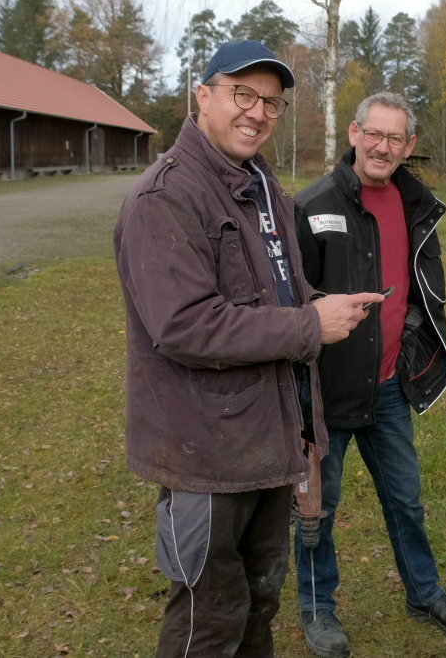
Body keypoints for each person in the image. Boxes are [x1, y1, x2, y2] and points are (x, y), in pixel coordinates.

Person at [113, 40, 383, 658]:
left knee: (261, 600)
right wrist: (309, 324)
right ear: (202, 95)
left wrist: (319, 306)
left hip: (267, 439)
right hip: (207, 450)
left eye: (271, 102)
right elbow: (184, 326)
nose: (257, 112)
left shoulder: (262, 187)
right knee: (209, 617)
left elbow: (271, 293)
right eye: (242, 94)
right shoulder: (166, 198)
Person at [292, 92, 446, 658]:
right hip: (327, 392)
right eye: (374, 134)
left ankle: (424, 594)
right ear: (354, 133)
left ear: (409, 145)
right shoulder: (313, 206)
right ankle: (318, 607)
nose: (382, 146)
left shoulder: (417, 205)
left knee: (406, 500)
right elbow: (292, 305)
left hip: (391, 387)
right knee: (318, 508)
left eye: (395, 138)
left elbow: (422, 290)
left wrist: (414, 346)